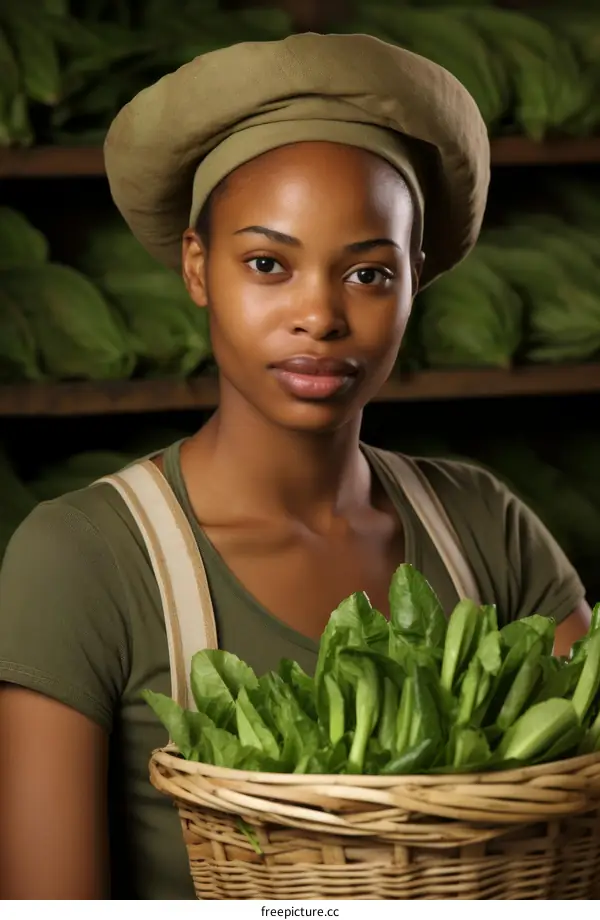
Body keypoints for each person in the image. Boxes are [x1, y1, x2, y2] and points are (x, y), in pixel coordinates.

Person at [0, 32, 591, 900]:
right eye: (268, 264)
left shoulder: (485, 526)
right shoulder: (81, 561)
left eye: (367, 273)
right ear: (199, 269)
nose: (318, 314)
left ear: (415, 281)